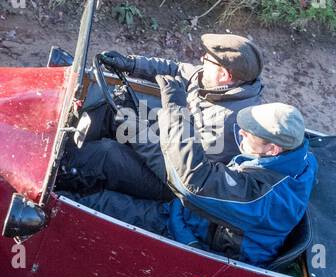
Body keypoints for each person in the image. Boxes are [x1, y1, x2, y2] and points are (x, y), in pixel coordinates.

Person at [72, 74, 317, 267]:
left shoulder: (258, 197)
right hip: (199, 212)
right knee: (110, 155)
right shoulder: (297, 157)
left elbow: (193, 181)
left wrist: (177, 110)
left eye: (248, 134)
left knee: (97, 206)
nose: (240, 133)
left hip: (194, 241)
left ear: (273, 149)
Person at [56, 33, 265, 200]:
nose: (202, 60)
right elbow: (176, 69)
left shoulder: (228, 124)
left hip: (170, 182)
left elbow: (177, 168)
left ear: (225, 75)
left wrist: (136, 129)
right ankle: (63, 143)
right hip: (168, 135)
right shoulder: (211, 80)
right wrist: (131, 64)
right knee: (110, 109)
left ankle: (58, 179)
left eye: (208, 59)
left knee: (107, 155)